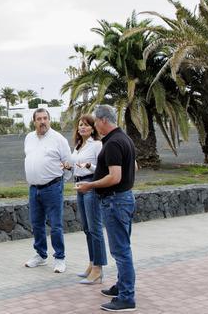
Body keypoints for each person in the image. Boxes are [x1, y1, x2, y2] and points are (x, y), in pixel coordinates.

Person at [75, 105, 137, 312]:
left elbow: (115, 177)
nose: (95, 125)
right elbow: (134, 167)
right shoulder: (124, 139)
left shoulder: (112, 143)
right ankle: (121, 286)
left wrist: (89, 185)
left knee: (120, 251)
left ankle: (127, 297)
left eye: (95, 121)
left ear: (102, 120)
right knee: (123, 247)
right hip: (124, 198)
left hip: (115, 201)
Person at [23, 107, 72, 273]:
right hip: (34, 189)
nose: (42, 121)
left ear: (49, 120)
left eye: (45, 118)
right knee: (37, 224)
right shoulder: (29, 138)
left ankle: (60, 258)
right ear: (34, 121)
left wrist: (59, 182)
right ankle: (41, 255)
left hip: (52, 187)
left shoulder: (58, 139)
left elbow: (68, 164)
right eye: (39, 119)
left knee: (56, 225)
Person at [69, 114, 107, 284]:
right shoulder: (78, 146)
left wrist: (89, 166)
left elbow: (103, 169)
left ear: (93, 128)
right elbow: (75, 165)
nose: (82, 127)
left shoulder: (97, 145)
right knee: (86, 228)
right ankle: (92, 264)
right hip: (79, 185)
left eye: (86, 125)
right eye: (80, 125)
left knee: (95, 228)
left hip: (91, 185)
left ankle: (98, 268)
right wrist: (68, 166)